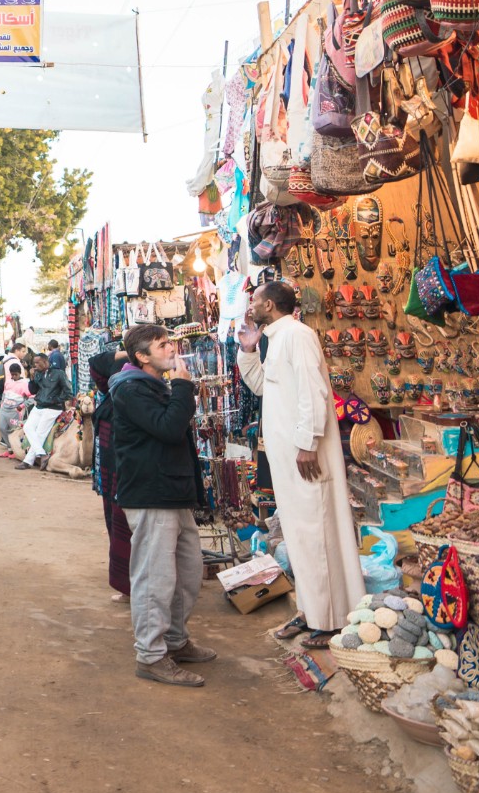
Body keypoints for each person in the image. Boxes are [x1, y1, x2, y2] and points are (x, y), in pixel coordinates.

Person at [239, 280, 366, 650]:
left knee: (316, 534)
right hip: (288, 459)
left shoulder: (297, 335)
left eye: (255, 299)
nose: (251, 304)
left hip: (304, 457)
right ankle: (313, 611)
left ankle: (328, 622)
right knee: (300, 536)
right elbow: (264, 387)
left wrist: (308, 444)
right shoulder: (276, 338)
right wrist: (248, 352)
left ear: (271, 305)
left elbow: (314, 391)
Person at [109, 324, 217, 687]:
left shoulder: (151, 385)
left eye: (170, 343)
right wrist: (184, 387)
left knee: (187, 571)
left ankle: (174, 640)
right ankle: (151, 656)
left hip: (170, 492)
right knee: (155, 578)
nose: (172, 349)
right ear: (142, 356)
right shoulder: (130, 389)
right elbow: (169, 428)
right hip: (151, 492)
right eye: (163, 345)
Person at [88, 348, 131, 602]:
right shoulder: (110, 399)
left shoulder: (123, 402)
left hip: (123, 483)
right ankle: (128, 589)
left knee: (127, 535)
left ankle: (133, 590)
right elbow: (96, 365)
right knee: (118, 533)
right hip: (111, 482)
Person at [23, 353, 74, 467]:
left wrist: (55, 400)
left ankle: (27, 461)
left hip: (53, 408)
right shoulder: (37, 374)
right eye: (34, 363)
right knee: (27, 427)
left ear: (45, 362)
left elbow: (68, 392)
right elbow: (32, 391)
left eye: (37, 362)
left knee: (40, 432)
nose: (35, 365)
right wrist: (31, 378)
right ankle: (42, 454)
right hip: (39, 406)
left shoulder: (58, 373)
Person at [0, 358, 31, 457]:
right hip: (4, 410)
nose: (13, 376)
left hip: (15, 411)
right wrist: (2, 403)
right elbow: (4, 393)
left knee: (14, 431)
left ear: (20, 373)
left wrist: (22, 406)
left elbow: (32, 398)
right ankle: (10, 449)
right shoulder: (8, 382)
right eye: (12, 374)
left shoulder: (25, 383)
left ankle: (17, 451)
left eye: (15, 374)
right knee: (2, 428)